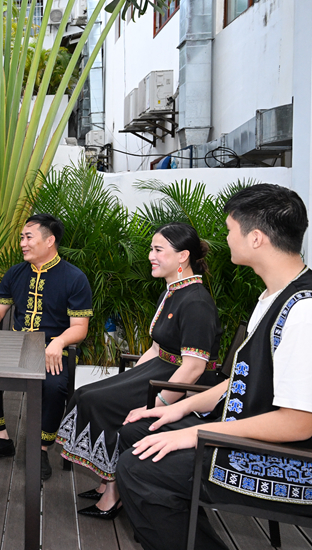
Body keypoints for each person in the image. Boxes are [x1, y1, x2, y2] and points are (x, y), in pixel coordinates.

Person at [116, 184, 312, 550]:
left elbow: (300, 422)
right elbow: (242, 377)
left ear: (255, 238)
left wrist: (197, 434)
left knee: (139, 469)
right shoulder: (272, 297)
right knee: (138, 432)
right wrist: (178, 409)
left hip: (287, 461)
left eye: (229, 229)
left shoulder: (303, 311)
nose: (225, 238)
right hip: (243, 432)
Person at [56, 222, 222, 519]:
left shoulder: (196, 301)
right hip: (160, 370)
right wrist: (122, 381)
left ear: (183, 256)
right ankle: (109, 478)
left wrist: (159, 404)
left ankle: (114, 491)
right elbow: (157, 349)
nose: (150, 256)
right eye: (151, 249)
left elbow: (194, 368)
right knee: (89, 393)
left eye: (158, 249)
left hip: (182, 384)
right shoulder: (172, 292)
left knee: (99, 401)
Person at [0, 213, 92, 481]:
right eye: (21, 237)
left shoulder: (75, 277)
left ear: (50, 241)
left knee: (54, 385)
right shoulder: (15, 273)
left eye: (28, 237)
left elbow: (80, 327)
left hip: (53, 348)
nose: (22, 243)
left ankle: (40, 448)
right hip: (16, 344)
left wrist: (59, 342)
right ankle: (0, 438)